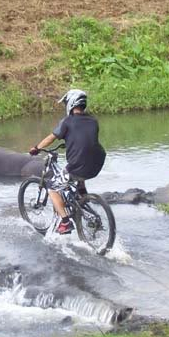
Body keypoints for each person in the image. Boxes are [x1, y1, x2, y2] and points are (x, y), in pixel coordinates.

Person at [29, 89, 106, 234]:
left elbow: (51, 138)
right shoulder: (93, 120)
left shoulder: (67, 122)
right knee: (80, 170)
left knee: (52, 187)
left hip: (79, 165)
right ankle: (82, 195)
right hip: (97, 163)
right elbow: (84, 140)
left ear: (70, 104)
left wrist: (37, 148)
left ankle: (65, 222)